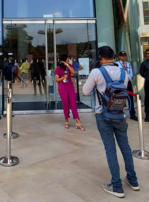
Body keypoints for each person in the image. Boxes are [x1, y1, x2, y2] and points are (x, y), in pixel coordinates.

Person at [83, 46, 139, 198]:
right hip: (120, 114)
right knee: (125, 146)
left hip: (103, 115)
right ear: (114, 57)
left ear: (100, 57)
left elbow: (85, 91)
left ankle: (117, 185)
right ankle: (133, 180)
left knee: (110, 149)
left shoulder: (97, 72)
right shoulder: (123, 72)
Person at [55, 55, 85, 131]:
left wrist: (67, 65)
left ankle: (78, 122)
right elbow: (57, 80)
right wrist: (63, 77)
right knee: (65, 104)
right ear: (63, 61)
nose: (69, 61)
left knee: (73, 104)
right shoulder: (58, 68)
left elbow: (73, 72)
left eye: (69, 60)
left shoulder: (69, 66)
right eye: (67, 60)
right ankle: (66, 120)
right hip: (62, 88)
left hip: (70, 87)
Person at [117, 51, 138, 121]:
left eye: (125, 56)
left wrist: (128, 78)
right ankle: (119, 114)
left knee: (130, 98)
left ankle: (132, 114)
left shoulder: (128, 64)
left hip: (128, 82)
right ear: (119, 57)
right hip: (121, 83)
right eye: (122, 56)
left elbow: (131, 73)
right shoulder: (117, 64)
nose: (124, 57)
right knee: (120, 98)